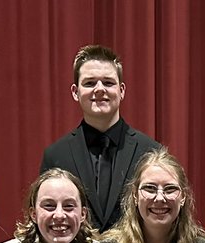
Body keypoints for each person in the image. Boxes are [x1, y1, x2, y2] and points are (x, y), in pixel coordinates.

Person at [40, 45, 160, 232]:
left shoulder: (151, 151)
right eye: (89, 83)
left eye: (108, 82)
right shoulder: (56, 155)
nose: (99, 89)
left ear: (121, 90)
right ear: (75, 92)